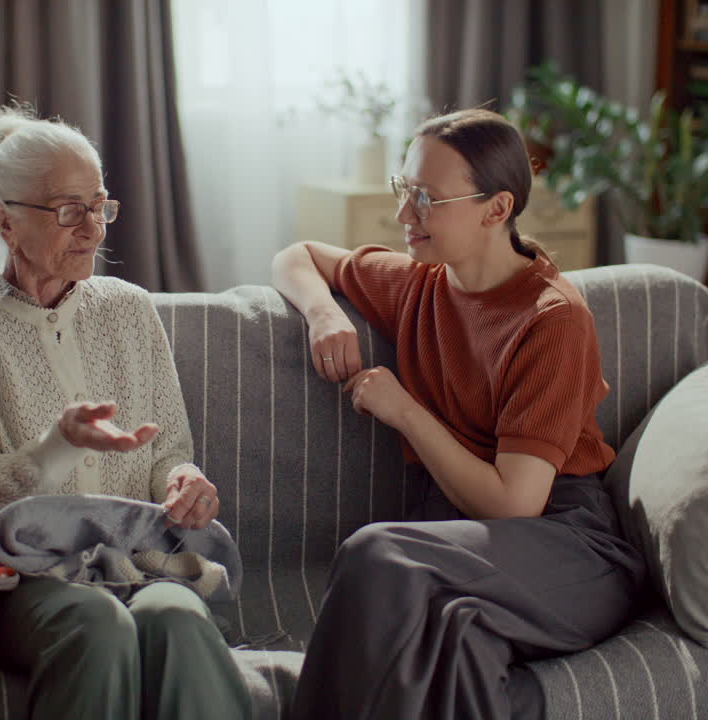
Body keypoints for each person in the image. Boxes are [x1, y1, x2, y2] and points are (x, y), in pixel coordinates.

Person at [271, 108, 647, 720]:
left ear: (496, 209)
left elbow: (513, 505)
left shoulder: (552, 319)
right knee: (454, 645)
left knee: (377, 553)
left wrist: (406, 412)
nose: (403, 215)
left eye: (425, 198)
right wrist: (324, 314)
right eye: (404, 189)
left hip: (565, 545)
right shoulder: (419, 283)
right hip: (462, 553)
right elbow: (298, 255)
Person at [0, 106, 251, 720]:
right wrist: (57, 447)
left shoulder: (129, 309)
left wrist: (182, 483)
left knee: (176, 614)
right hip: (21, 582)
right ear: (6, 222)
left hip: (140, 565)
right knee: (98, 622)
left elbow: (168, 451)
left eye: (99, 206)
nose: (94, 229)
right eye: (69, 211)